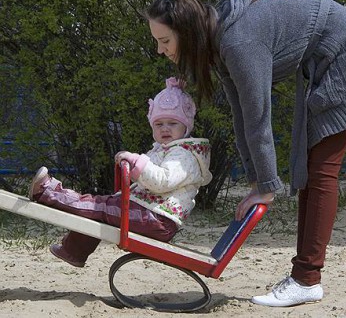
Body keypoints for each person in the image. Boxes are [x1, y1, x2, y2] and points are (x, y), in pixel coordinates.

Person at [145, 0, 346, 307]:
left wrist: (266, 187)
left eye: (165, 41)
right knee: (314, 169)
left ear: (186, 33)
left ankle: (306, 279)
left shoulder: (238, 40)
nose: (160, 50)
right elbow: (240, 112)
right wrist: (257, 181)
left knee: (322, 171)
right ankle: (306, 278)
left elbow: (259, 115)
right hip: (333, 62)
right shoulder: (220, 39)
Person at [28, 77, 213, 268]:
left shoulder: (182, 156)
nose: (165, 128)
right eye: (159, 124)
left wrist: (136, 162)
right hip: (149, 214)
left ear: (186, 126)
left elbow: (163, 180)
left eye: (173, 123)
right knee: (100, 208)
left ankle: (47, 191)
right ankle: (73, 251)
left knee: (98, 207)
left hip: (156, 218)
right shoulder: (166, 149)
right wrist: (137, 165)